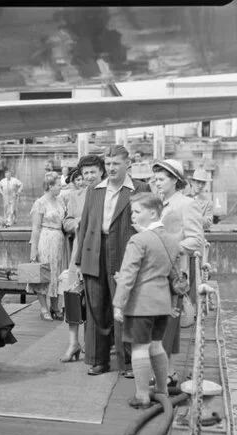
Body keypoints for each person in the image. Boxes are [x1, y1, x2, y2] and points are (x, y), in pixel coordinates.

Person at [74, 145, 150, 376]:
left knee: (123, 305)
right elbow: (84, 225)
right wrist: (79, 262)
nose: (111, 168)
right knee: (96, 307)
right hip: (95, 250)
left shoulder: (139, 189)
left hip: (125, 251)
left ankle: (127, 362)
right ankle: (99, 360)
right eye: (108, 164)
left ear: (128, 164)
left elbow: (145, 225)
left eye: (116, 164)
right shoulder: (95, 190)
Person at [112, 193, 181, 408]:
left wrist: (118, 303)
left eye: (137, 211)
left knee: (140, 348)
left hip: (140, 304)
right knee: (157, 346)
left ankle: (142, 396)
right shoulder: (171, 239)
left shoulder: (138, 240)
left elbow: (128, 274)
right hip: (162, 304)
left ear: (152, 213)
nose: (133, 216)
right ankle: (161, 390)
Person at [152, 159, 205, 386]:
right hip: (155, 270)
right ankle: (169, 372)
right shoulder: (157, 203)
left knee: (167, 323)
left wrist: (171, 247)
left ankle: (164, 374)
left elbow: (196, 240)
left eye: (162, 179)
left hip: (174, 272)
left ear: (175, 180)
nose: (157, 183)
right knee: (160, 323)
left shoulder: (186, 204)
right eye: (155, 179)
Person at [60, 155, 105, 362]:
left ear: (101, 172)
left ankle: (93, 343)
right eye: (85, 173)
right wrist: (78, 222)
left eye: (92, 172)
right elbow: (66, 223)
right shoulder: (75, 196)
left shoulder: (108, 194)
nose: (88, 176)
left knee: (97, 301)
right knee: (72, 298)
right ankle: (73, 342)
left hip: (99, 255)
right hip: (78, 254)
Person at [27, 172, 67, 321]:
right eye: (58, 185)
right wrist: (33, 250)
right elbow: (36, 228)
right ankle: (44, 308)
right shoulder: (40, 203)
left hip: (59, 239)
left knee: (57, 274)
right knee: (44, 273)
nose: (60, 187)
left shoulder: (60, 200)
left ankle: (55, 306)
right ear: (50, 186)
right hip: (45, 238)